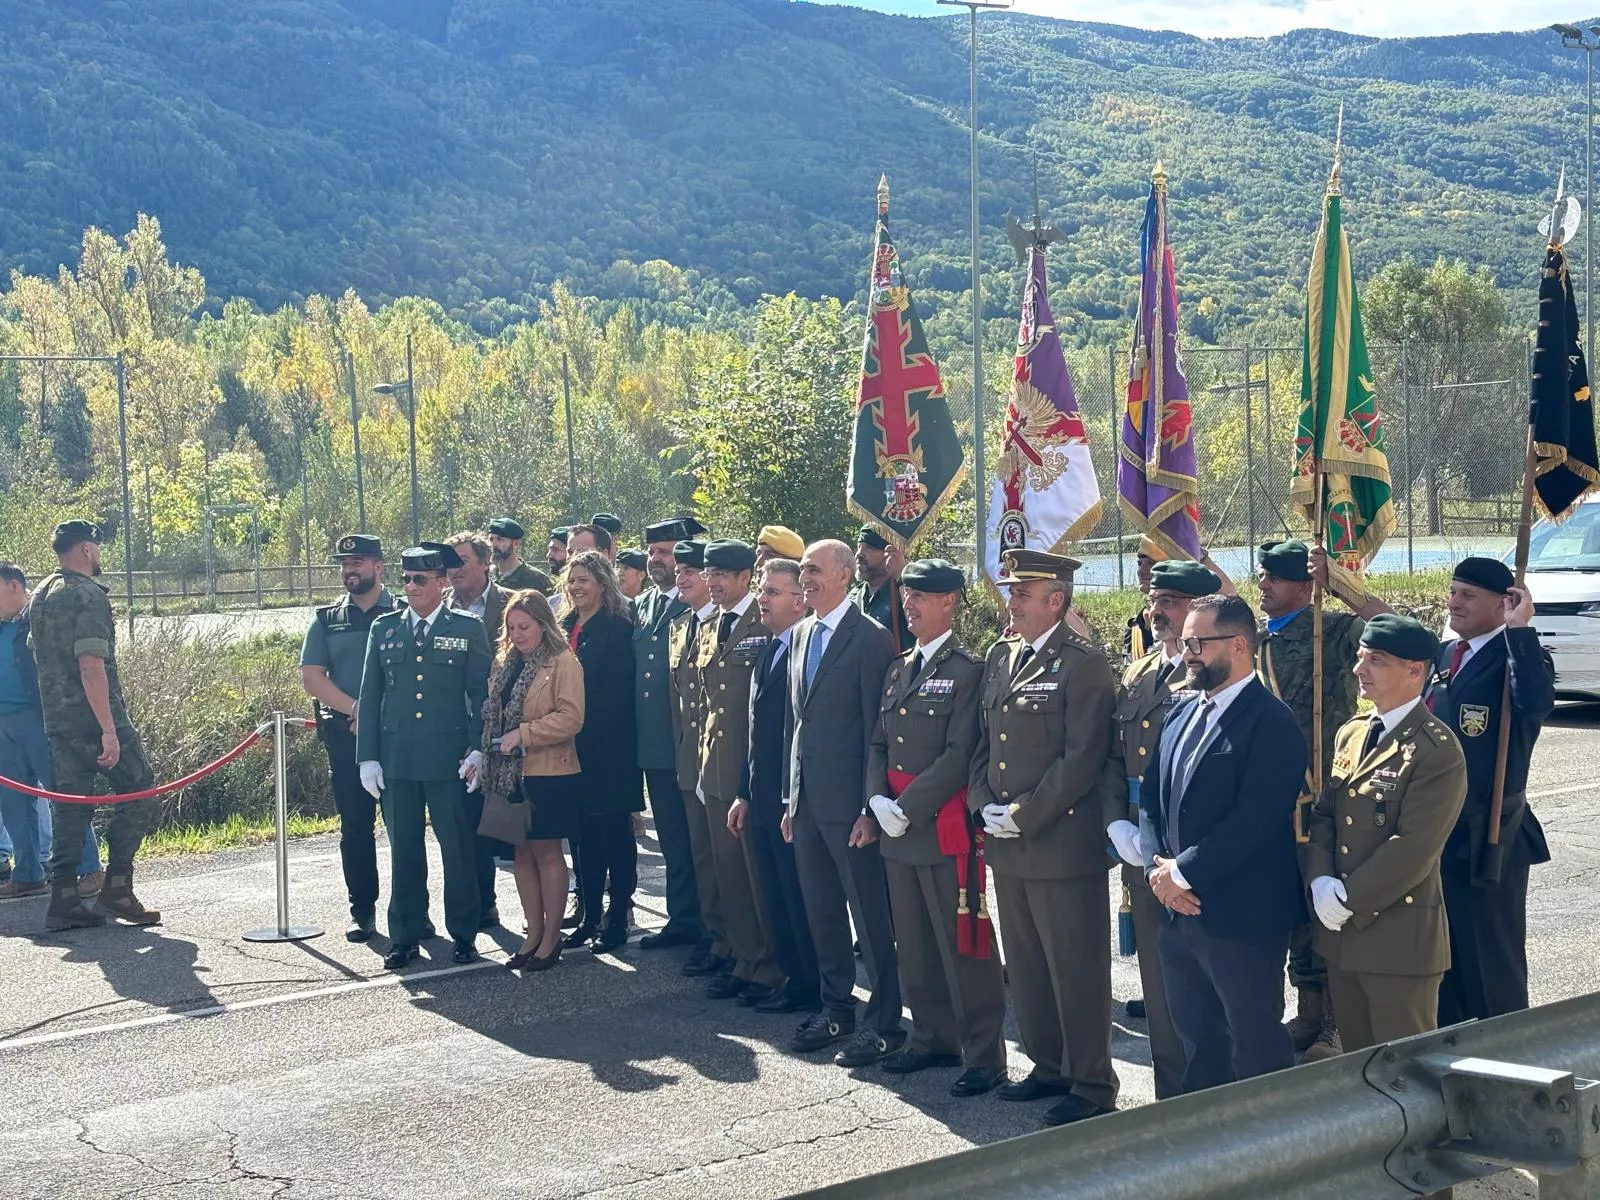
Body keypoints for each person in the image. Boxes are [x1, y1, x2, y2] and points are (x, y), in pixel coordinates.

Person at [969, 549, 1117, 1125]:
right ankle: (1048, 1064)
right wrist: (985, 805)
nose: (1011, 604)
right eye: (1011, 593)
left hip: (1058, 843)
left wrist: (1025, 814)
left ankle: (1091, 1082)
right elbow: (986, 742)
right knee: (1027, 965)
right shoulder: (1001, 655)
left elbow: (1082, 760)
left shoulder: (1084, 665)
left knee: (1074, 967)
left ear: (1056, 600)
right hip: (1008, 843)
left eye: (1022, 595)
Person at [1139, 594, 1307, 1093]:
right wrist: (1157, 871)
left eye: (1197, 642)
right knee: (1199, 1044)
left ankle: (1271, 1154)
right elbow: (1151, 797)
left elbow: (1255, 818)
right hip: (1177, 911)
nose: (1186, 652)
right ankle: (1207, 1155)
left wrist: (1182, 873)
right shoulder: (1181, 713)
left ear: (1238, 645)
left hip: (1241, 917)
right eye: (1184, 641)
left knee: (1255, 1046)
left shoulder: (1272, 721)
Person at [868, 558, 1007, 1098]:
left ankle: (984, 1053)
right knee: (916, 941)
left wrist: (909, 807)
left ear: (949, 601)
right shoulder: (900, 666)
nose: (910, 604)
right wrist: (876, 799)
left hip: (938, 824)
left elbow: (958, 753)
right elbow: (879, 741)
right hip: (896, 825)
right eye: (907, 595)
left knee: (962, 944)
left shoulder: (968, 671)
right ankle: (930, 1036)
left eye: (921, 596)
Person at [1254, 537, 1388, 1061]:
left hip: (1324, 793)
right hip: (1276, 798)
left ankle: (1335, 1022)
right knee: (1293, 908)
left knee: (1327, 907)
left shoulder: (1331, 631)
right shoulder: (1258, 640)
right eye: (1262, 575)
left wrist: (1343, 587)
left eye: (1275, 577)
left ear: (1305, 585)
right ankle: (1307, 1012)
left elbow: (1395, 631)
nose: (1263, 584)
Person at [1308, 615, 1466, 1049]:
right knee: (1360, 1075)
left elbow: (1414, 849)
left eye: (1375, 660)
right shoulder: (1352, 734)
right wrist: (1319, 879)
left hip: (1399, 944)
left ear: (1415, 670)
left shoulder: (1437, 750)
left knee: (1408, 1076)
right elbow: (1326, 816)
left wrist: (1348, 898)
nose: (1360, 670)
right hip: (1344, 938)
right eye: (1360, 658)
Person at [1102, 558, 1220, 1099]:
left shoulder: (1216, 670)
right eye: (1154, 600)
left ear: (1197, 608)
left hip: (1196, 851)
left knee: (1209, 984)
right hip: (1142, 849)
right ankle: (1170, 1096)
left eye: (1169, 602)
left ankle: (1215, 1097)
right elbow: (1111, 756)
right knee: (1158, 977)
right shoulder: (1138, 671)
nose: (1157, 612)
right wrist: (1117, 824)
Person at [785, 539, 901, 1067]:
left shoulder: (870, 640)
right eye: (803, 570)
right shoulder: (802, 634)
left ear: (844, 576)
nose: (804, 578)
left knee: (870, 915)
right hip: (807, 802)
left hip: (851, 808)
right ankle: (837, 1008)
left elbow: (876, 734)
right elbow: (797, 724)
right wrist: (791, 797)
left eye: (813, 570)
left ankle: (884, 1022)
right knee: (822, 909)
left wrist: (867, 808)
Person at [1425, 557, 1553, 1025]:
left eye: (1468, 596)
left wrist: (1520, 630)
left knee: (1490, 970)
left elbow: (1536, 703)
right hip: (1438, 834)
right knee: (1445, 966)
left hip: (1489, 832)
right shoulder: (1445, 655)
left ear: (1503, 605)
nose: (1454, 602)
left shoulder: (1518, 656)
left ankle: (1509, 1067)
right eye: (1453, 591)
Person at [356, 542, 492, 969]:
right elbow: (371, 693)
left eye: (420, 580)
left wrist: (478, 749)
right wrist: (368, 757)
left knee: (458, 849)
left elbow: (481, 695)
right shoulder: (386, 628)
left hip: (449, 758)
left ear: (441, 582)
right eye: (406, 579)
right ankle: (405, 934)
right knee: (405, 852)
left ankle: (465, 934)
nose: (411, 587)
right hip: (397, 760)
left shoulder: (467, 628)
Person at [30, 520, 160, 930]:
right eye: (97, 549)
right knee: (140, 790)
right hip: (96, 719)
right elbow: (91, 665)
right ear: (86, 549)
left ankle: (63, 899)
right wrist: (108, 728)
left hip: (59, 722)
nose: (99, 556)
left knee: (69, 808)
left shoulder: (41, 594)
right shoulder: (87, 594)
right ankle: (117, 888)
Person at [728, 559, 820, 1014]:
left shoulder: (806, 651)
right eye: (762, 590)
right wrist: (744, 792)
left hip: (790, 796)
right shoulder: (770, 649)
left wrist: (787, 796)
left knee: (799, 893)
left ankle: (811, 983)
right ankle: (790, 977)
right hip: (762, 795)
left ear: (800, 600)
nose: (762, 599)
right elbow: (755, 732)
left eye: (772, 592)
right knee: (775, 892)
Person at [695, 539, 784, 1005]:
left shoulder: (763, 623)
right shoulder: (712, 623)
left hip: (747, 768)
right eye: (709, 574)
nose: (712, 582)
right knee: (727, 872)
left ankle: (768, 964)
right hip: (714, 766)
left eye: (721, 575)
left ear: (745, 578)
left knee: (753, 873)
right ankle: (743, 957)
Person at [477, 590, 585, 972]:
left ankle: (551, 938)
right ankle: (532, 933)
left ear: (543, 623)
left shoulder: (563, 662)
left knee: (547, 853)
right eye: (511, 627)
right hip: (510, 773)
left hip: (548, 772)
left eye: (525, 626)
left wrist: (524, 734)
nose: (518, 634)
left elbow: (571, 718)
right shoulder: (506, 662)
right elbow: (493, 712)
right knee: (521, 854)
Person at [299, 534, 398, 940]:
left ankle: (413, 910)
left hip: (397, 736)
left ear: (378, 566)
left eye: (357, 562)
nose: (349, 570)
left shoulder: (404, 611)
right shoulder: (326, 620)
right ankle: (363, 911)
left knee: (403, 829)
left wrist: (378, 714)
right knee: (356, 830)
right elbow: (312, 678)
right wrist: (356, 709)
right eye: (344, 564)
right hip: (346, 736)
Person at [0, 563, 102, 901]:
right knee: (14, 802)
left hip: (41, 719)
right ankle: (28, 873)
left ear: (14, 586)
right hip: (4, 725)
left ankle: (89, 868)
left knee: (63, 795)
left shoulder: (42, 617)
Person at [560, 550, 643, 952]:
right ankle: (589, 916)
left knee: (614, 834)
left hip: (609, 748)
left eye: (584, 581)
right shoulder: (565, 626)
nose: (576, 587)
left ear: (602, 584)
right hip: (570, 750)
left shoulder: (617, 627)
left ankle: (617, 918)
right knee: (583, 838)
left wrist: (576, 721)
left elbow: (616, 690)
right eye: (572, 580)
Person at [633, 517, 707, 952]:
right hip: (653, 745)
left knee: (697, 838)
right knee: (673, 838)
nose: (657, 559)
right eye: (654, 551)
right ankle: (683, 918)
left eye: (666, 551)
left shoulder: (694, 604)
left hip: (687, 745)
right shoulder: (643, 604)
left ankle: (704, 921)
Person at [443, 530, 515, 928]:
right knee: (457, 821)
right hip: (452, 728)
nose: (453, 570)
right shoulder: (440, 604)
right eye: (449, 563)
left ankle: (488, 902)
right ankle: (472, 901)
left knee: (489, 821)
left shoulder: (509, 604)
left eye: (462, 561)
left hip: (501, 729)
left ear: (485, 563)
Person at [671, 540, 730, 977]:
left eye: (694, 569)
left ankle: (734, 942)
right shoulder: (681, 625)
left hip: (723, 759)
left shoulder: (733, 627)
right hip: (693, 757)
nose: (684, 577)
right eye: (682, 570)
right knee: (702, 854)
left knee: (728, 857)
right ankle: (715, 937)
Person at [849, 526, 912, 652]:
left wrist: (902, 576)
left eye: (870, 547)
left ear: (889, 554)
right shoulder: (853, 596)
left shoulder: (902, 592)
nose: (859, 554)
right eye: (859, 546)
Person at [445, 531, 513, 642]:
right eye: (451, 562)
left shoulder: (511, 602)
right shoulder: (437, 603)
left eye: (463, 561)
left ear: (485, 563)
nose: (455, 569)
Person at [488, 517, 554, 595]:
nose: (493, 544)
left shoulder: (537, 580)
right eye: (491, 539)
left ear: (515, 544)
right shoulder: (487, 575)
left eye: (500, 539)